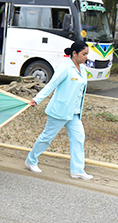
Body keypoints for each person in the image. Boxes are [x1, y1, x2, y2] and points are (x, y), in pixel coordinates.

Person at [24, 40, 93, 180]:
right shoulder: (65, 68)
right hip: (60, 110)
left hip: (74, 112)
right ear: (74, 53)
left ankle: (77, 170)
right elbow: (51, 85)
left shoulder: (83, 69)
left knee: (79, 138)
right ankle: (31, 160)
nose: (86, 57)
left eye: (87, 54)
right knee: (47, 138)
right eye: (84, 54)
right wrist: (37, 99)